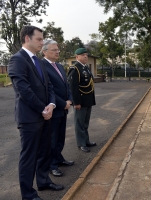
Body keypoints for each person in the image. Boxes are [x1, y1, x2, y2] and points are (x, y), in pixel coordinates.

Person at [8, 25, 64, 200]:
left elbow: (49, 87)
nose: (42, 42)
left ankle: (43, 181)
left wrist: (52, 105)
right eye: (39, 39)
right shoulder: (17, 60)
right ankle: (28, 194)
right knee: (29, 157)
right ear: (27, 38)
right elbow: (23, 90)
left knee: (44, 152)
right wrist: (43, 108)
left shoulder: (39, 61)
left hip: (46, 115)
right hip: (30, 118)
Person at [41, 40, 74, 177]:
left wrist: (70, 100)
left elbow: (67, 85)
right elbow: (49, 90)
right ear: (45, 52)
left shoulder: (59, 66)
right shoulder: (42, 66)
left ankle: (59, 158)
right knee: (52, 139)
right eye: (54, 50)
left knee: (60, 137)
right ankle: (52, 165)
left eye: (58, 50)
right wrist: (62, 103)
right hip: (54, 109)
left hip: (64, 108)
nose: (57, 52)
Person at [68, 48, 96, 153]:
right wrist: (76, 102)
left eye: (86, 55)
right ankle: (81, 144)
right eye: (83, 55)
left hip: (88, 100)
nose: (85, 56)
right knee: (79, 123)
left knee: (85, 122)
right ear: (77, 57)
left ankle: (86, 141)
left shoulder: (86, 68)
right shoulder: (75, 68)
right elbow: (73, 87)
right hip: (80, 100)